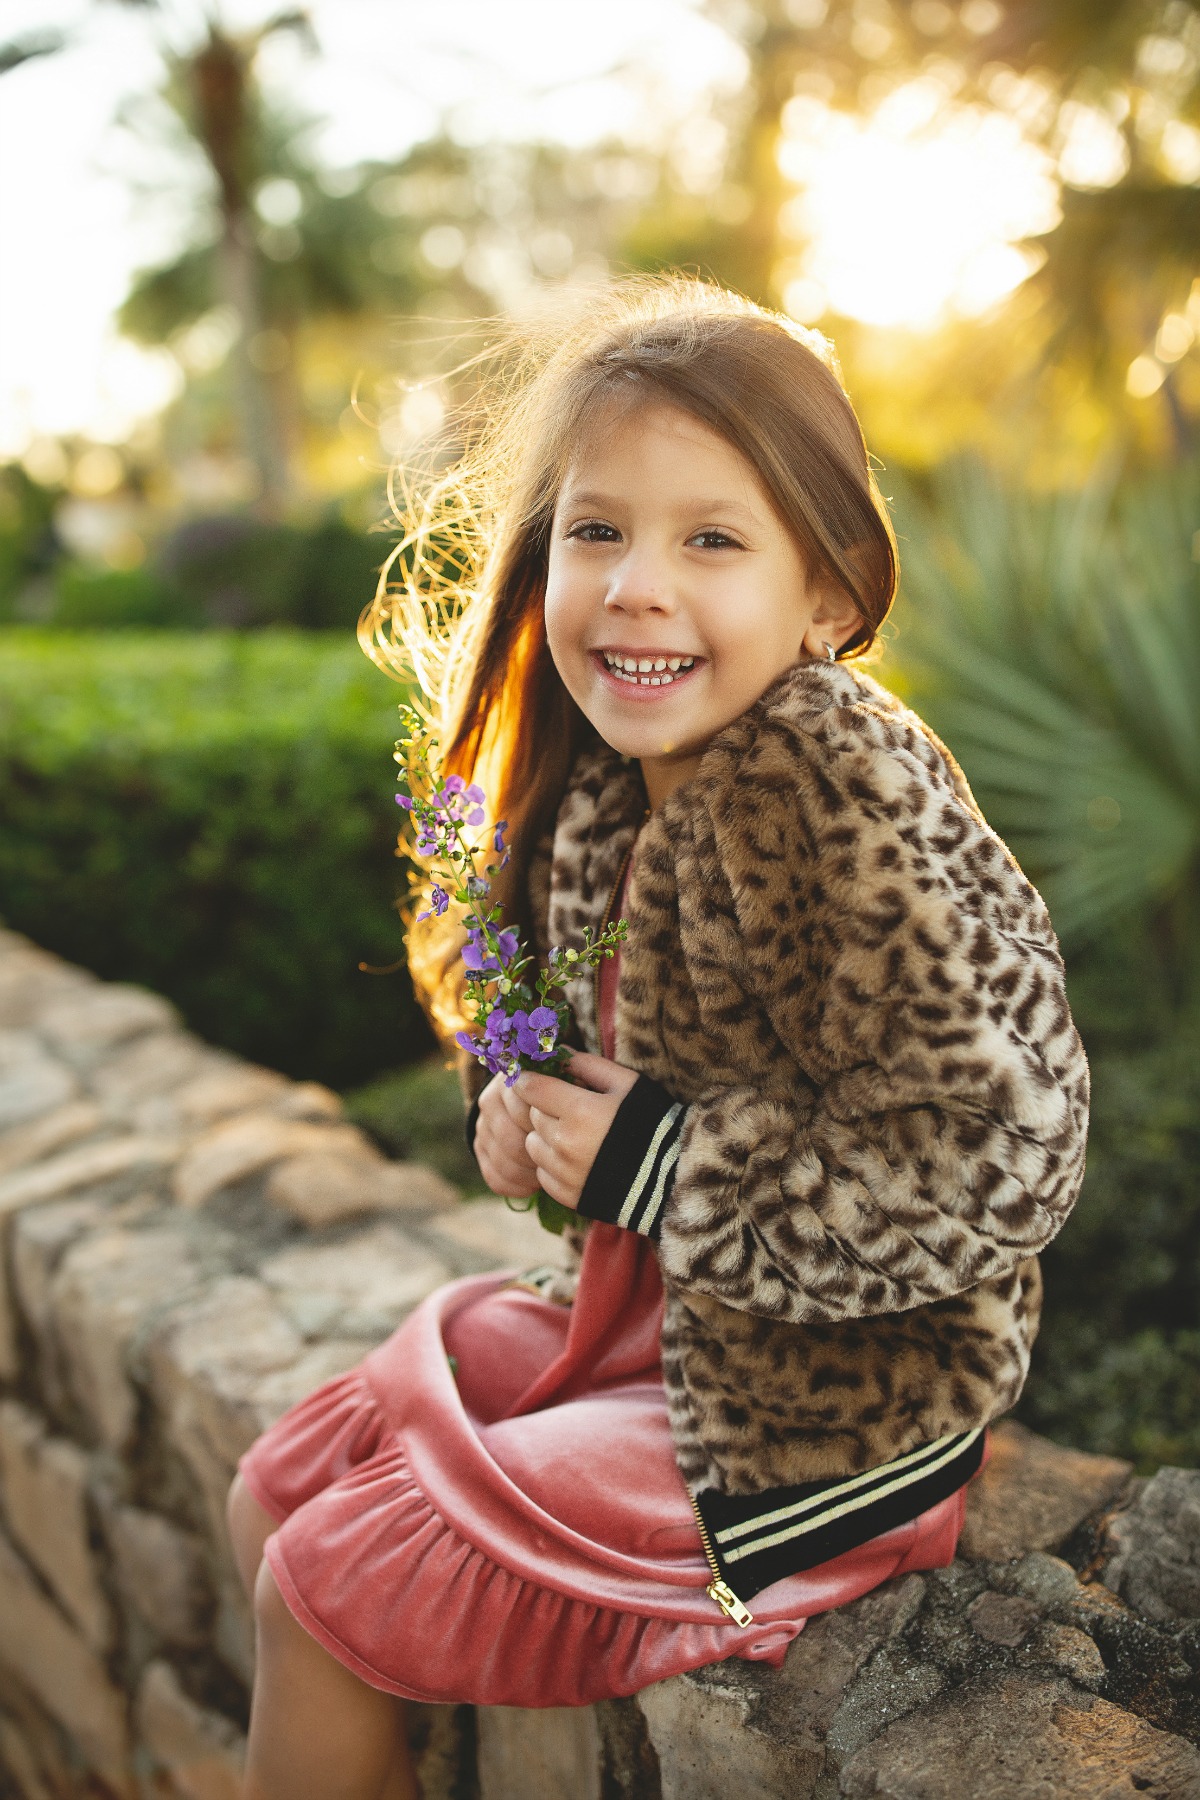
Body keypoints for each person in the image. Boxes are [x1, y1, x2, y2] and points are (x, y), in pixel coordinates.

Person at [227, 278, 1090, 1800]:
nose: (635, 584)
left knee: (325, 1587)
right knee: (285, 1478)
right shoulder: (627, 779)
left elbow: (1000, 1151)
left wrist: (654, 1158)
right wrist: (541, 1136)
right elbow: (628, 1096)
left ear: (827, 594)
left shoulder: (837, 790)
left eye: (712, 538)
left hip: (827, 1413)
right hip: (657, 1323)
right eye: (598, 529)